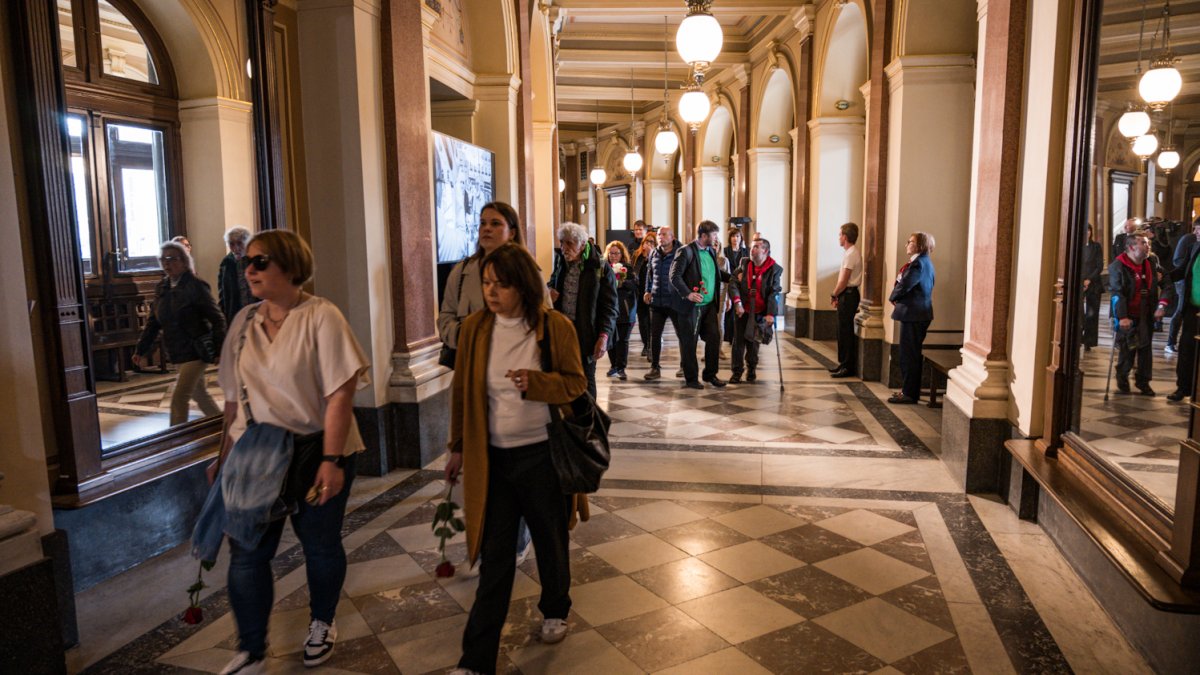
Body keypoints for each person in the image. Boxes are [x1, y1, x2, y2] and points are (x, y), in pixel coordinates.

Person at [214, 230, 371, 674]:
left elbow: (340, 395)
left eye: (260, 262)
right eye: (248, 261)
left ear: (289, 266)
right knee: (247, 552)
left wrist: (331, 460)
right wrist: (223, 455)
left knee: (319, 545)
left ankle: (322, 622)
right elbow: (231, 397)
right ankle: (251, 648)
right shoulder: (243, 321)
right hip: (257, 454)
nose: (249, 270)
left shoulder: (321, 316)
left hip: (315, 448)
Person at [445, 243, 588, 674]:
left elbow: (575, 384)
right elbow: (462, 391)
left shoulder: (554, 327)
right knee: (496, 557)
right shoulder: (475, 329)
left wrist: (537, 383)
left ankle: (555, 606)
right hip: (494, 460)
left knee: (550, 539)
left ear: (522, 286)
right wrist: (456, 447)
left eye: (501, 285)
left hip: (543, 456)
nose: (491, 292)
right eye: (487, 283)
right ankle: (476, 660)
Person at [436, 201, 533, 565]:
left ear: (511, 229)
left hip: (513, 383)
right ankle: (487, 536)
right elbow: (445, 317)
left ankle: (516, 536)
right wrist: (467, 335)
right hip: (471, 376)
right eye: (482, 223)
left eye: (495, 223)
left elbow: (541, 323)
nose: (486, 229)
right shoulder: (462, 271)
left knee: (514, 463)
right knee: (478, 462)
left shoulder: (527, 271)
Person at [133, 241, 226, 426]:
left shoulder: (196, 285)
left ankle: (175, 438)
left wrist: (219, 349)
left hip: (195, 349)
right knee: (199, 394)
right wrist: (141, 349)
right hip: (176, 349)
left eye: (172, 259)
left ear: (184, 261)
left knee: (179, 397)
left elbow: (218, 319)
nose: (167, 263)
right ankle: (222, 426)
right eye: (163, 259)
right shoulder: (162, 287)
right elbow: (153, 322)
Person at [548, 222, 618, 398]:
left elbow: (610, 306)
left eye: (569, 243)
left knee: (586, 380)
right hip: (563, 329)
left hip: (587, 332)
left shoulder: (599, 266)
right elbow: (553, 282)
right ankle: (569, 419)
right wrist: (549, 291)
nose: (564, 248)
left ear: (582, 244)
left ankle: (590, 421)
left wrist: (603, 336)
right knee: (562, 376)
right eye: (562, 242)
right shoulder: (561, 261)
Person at [670, 220, 732, 389]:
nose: (716, 238)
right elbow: (674, 276)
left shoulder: (710, 251)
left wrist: (732, 278)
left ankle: (710, 374)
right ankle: (691, 379)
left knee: (714, 338)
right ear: (704, 236)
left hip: (709, 305)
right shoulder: (686, 251)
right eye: (714, 234)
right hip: (691, 307)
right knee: (689, 342)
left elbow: (715, 272)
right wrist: (688, 294)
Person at [1110, 234, 1166, 396]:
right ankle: (1122, 376)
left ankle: (1143, 381)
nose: (1148, 246)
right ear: (1132, 247)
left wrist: (1161, 305)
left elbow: (1166, 280)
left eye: (1148, 243)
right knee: (1128, 348)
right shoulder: (1118, 266)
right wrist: (1122, 317)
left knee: (1145, 349)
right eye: (1144, 243)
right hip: (1127, 314)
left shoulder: (1150, 262)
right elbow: (1117, 293)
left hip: (1146, 313)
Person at [888, 232, 936, 404]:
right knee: (911, 354)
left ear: (920, 245)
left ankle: (909, 393)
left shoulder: (918, 264)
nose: (907, 244)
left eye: (911, 242)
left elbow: (906, 284)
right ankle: (909, 391)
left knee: (909, 355)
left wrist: (893, 297)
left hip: (914, 314)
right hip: (918, 313)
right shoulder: (925, 262)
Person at [727, 237, 782, 384]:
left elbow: (773, 292)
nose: (752, 249)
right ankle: (736, 372)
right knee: (738, 342)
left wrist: (770, 314)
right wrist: (737, 302)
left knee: (753, 342)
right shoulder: (744, 264)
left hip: (759, 311)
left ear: (766, 251)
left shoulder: (774, 269)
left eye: (757, 247)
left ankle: (751, 368)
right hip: (742, 309)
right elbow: (733, 282)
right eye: (752, 247)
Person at [643, 227, 689, 381]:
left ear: (672, 236)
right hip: (657, 300)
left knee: (681, 334)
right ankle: (655, 367)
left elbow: (686, 276)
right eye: (658, 235)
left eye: (664, 235)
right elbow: (650, 274)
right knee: (655, 336)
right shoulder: (654, 253)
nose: (660, 237)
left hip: (675, 301)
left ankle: (684, 365)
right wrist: (647, 290)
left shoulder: (682, 252)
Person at [831, 223, 863, 377]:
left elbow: (844, 281)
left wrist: (834, 294)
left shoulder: (851, 254)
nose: (839, 237)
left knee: (845, 331)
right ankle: (843, 363)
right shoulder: (850, 252)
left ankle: (847, 366)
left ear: (845, 236)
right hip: (847, 294)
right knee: (841, 330)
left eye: (840, 234)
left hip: (848, 294)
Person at [604, 240, 637, 380]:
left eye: (616, 253)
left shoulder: (628, 268)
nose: (614, 256)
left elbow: (636, 285)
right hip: (609, 308)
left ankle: (621, 367)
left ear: (622, 254)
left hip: (625, 307)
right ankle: (613, 366)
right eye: (611, 253)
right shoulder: (604, 267)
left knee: (622, 339)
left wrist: (622, 282)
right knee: (610, 338)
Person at [1166, 219, 1200, 355]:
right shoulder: (1194, 247)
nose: (1195, 232)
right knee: (1188, 348)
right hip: (1192, 307)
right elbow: (1181, 270)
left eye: (1198, 228)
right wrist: (1162, 277)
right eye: (1195, 228)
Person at [219, 226, 254, 324]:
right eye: (231, 244)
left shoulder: (254, 260)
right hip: (236, 314)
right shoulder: (226, 263)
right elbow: (223, 294)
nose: (236, 248)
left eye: (240, 243)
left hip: (256, 309)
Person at [722, 228, 749, 348]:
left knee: (739, 309)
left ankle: (738, 335)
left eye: (737, 236)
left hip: (742, 284)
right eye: (733, 236)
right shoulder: (725, 251)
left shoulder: (745, 251)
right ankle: (729, 336)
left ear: (741, 238)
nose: (735, 238)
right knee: (729, 310)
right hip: (729, 281)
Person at [632, 231, 657, 358]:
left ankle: (651, 346)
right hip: (639, 292)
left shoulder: (657, 256)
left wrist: (651, 256)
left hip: (652, 293)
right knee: (642, 320)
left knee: (652, 321)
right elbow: (634, 272)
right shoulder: (637, 255)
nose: (648, 244)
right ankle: (646, 344)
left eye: (652, 242)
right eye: (647, 241)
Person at [1081, 224, 1104, 352]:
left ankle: (1089, 341)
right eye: (1085, 230)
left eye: (1089, 230)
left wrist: (1089, 280)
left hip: (1093, 283)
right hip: (1079, 283)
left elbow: (1099, 266)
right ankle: (1079, 337)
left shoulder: (1096, 247)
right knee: (1079, 313)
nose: (1087, 233)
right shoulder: (1078, 246)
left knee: (1092, 314)